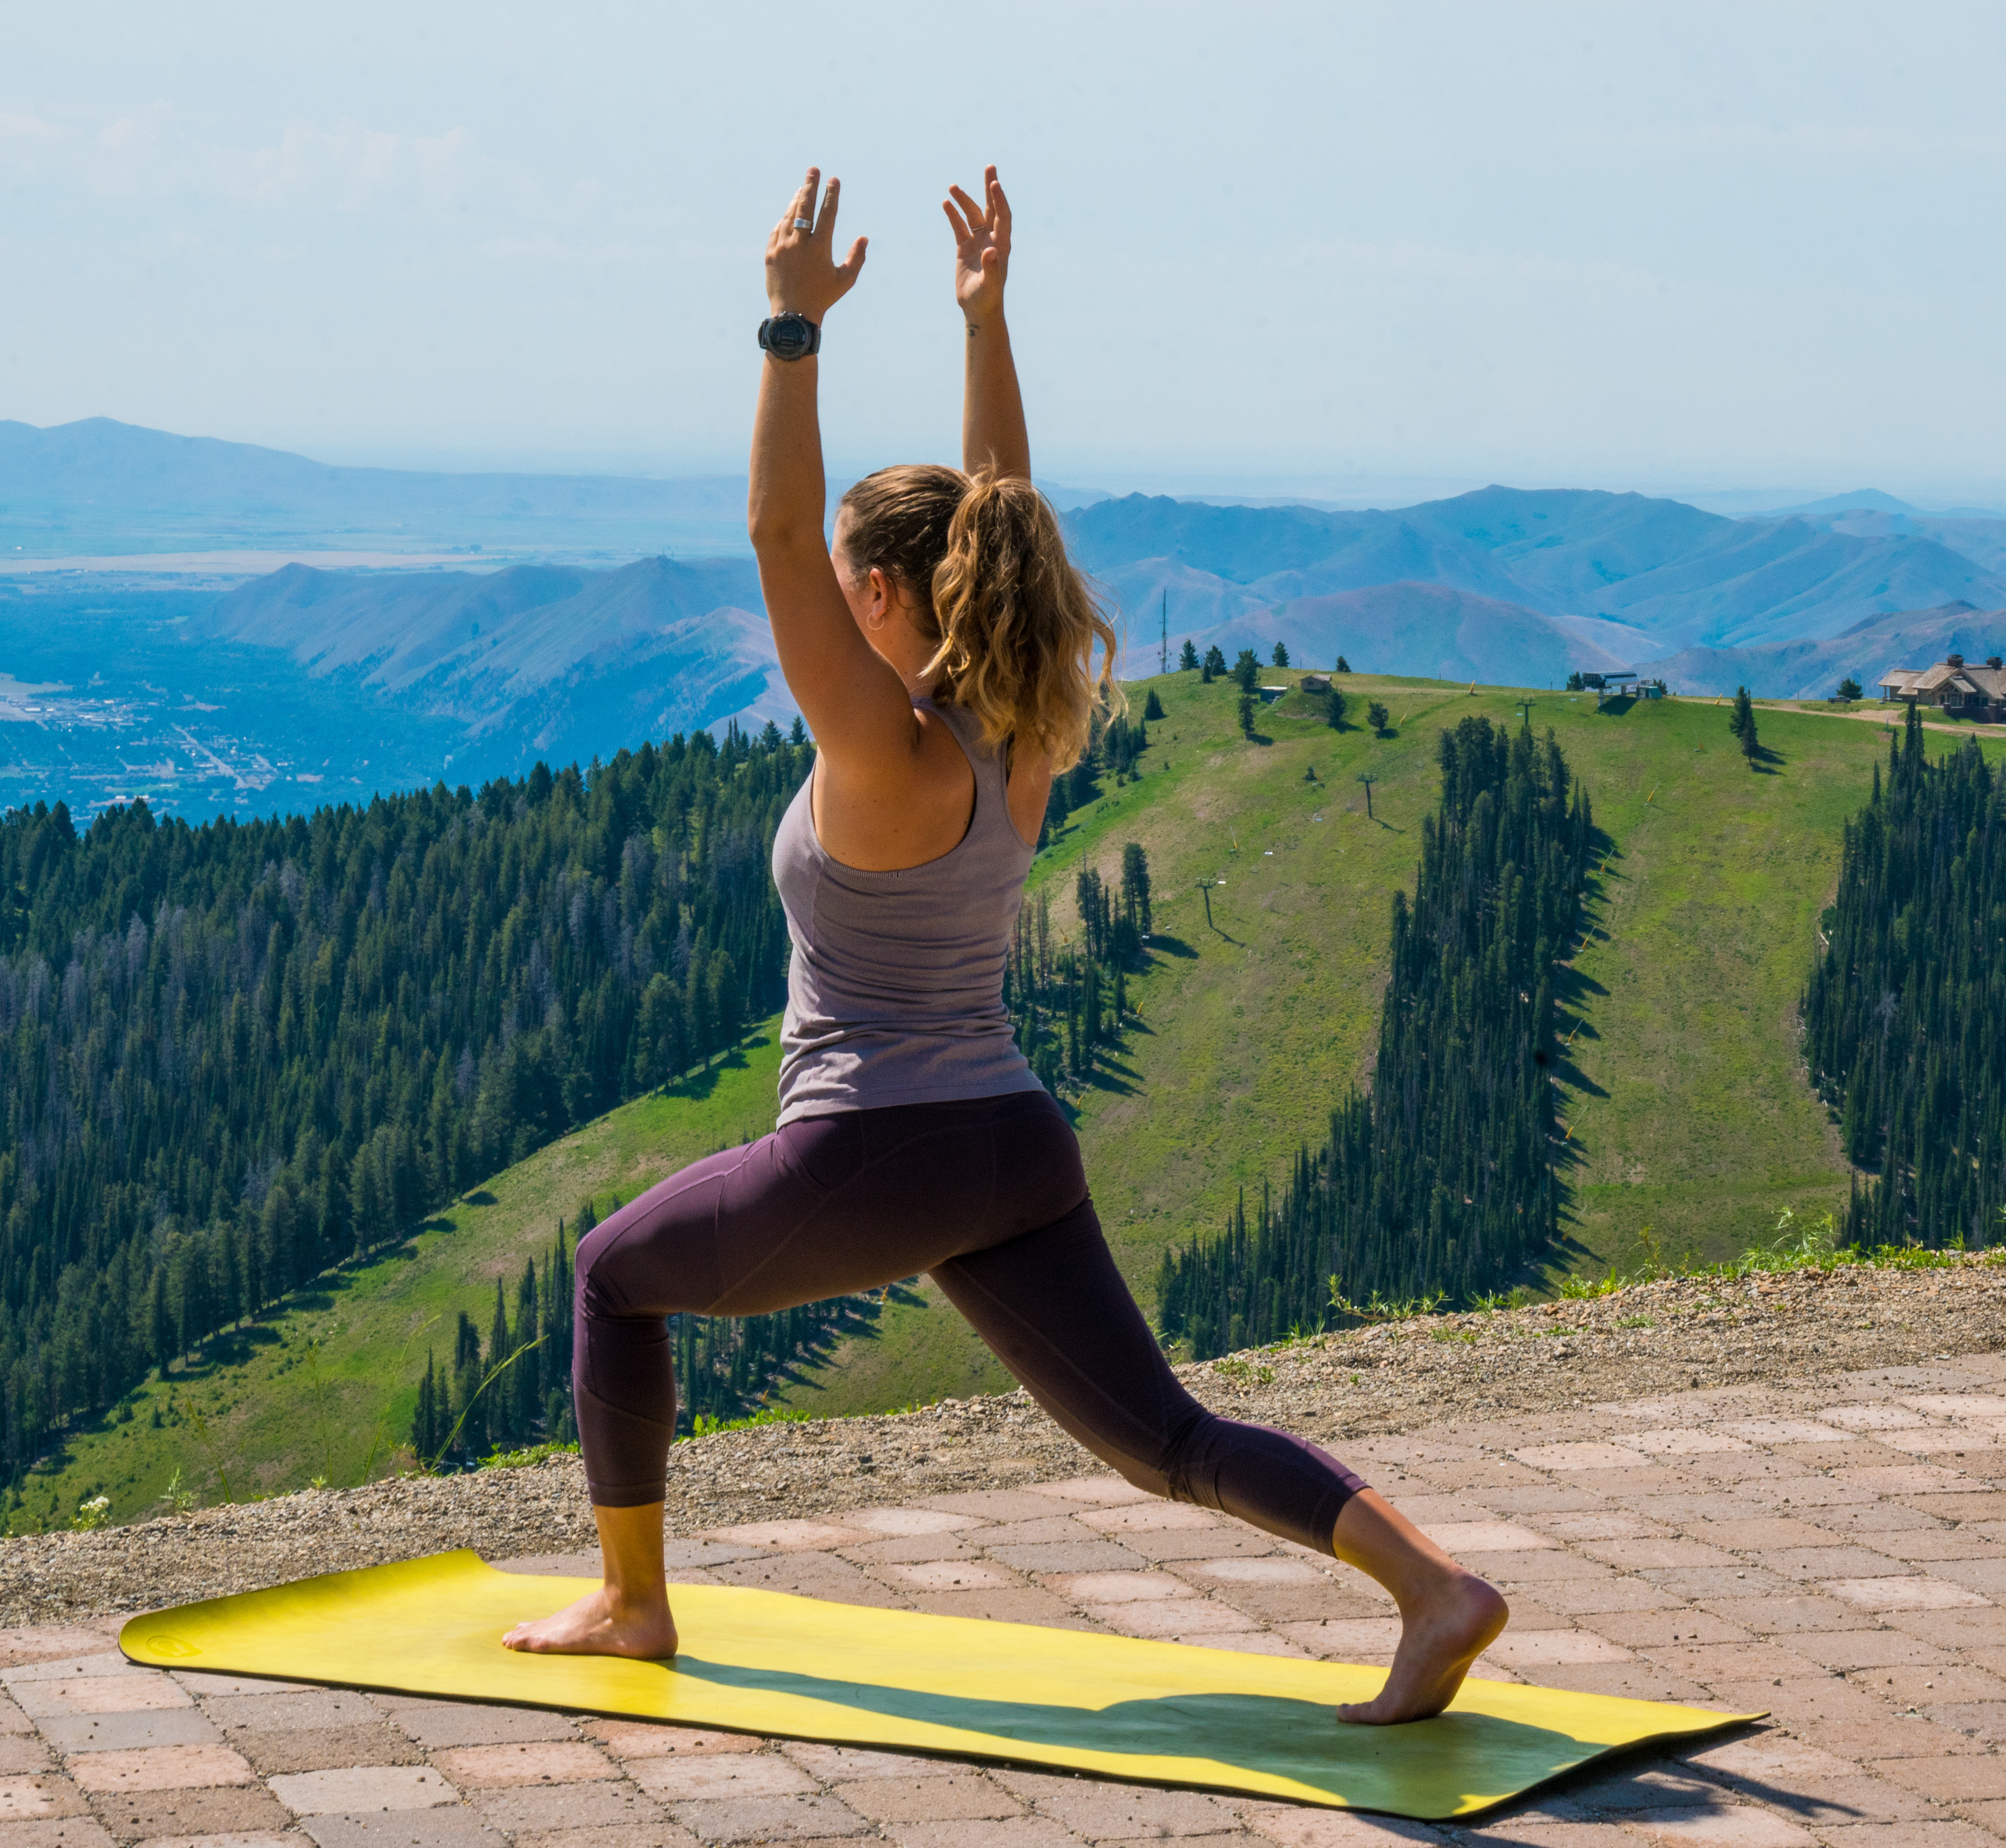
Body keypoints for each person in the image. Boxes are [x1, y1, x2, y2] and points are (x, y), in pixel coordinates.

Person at [502, 165, 1507, 1724]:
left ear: (886, 594)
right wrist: (986, 323)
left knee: (610, 1280)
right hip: (1012, 1150)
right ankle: (1438, 1589)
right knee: (1164, 1437)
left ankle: (635, 1606)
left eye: (850, 586)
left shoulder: (883, 751)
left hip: (875, 1151)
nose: (825, 601)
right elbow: (1006, 513)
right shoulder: (1012, 728)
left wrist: (788, 328)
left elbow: (777, 531)